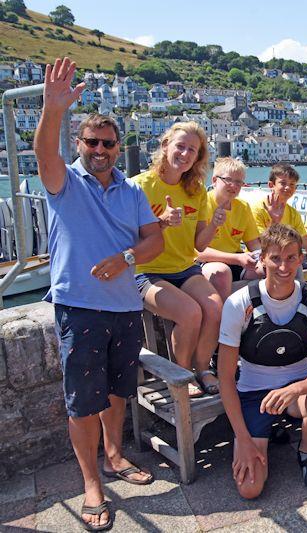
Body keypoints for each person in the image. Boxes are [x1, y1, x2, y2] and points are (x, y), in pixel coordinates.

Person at [34, 57, 163, 531]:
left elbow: (154, 241)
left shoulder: (131, 192)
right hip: (80, 307)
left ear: (118, 147)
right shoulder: (64, 183)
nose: (102, 149)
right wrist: (53, 109)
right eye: (93, 142)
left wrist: (124, 259)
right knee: (83, 401)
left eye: (109, 143)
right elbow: (44, 153)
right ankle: (92, 483)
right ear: (80, 145)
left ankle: (114, 455)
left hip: (125, 306)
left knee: (115, 391)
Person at [217, 224, 307, 498]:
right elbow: (225, 378)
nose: (284, 266)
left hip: (297, 390)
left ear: (300, 259)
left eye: (292, 258)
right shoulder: (239, 303)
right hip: (252, 393)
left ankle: (306, 453)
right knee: (250, 490)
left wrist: (293, 389)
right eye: (276, 258)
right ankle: (262, 435)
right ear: (262, 259)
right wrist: (243, 440)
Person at [134, 121, 224, 397]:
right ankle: (182, 377)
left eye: (192, 150)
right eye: (180, 147)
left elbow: (198, 244)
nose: (185, 154)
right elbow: (123, 242)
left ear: (198, 157)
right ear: (165, 146)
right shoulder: (139, 186)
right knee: (190, 313)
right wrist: (160, 224)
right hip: (146, 270)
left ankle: (203, 368)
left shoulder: (196, 191)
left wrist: (214, 225)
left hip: (184, 267)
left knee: (215, 308)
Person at [247, 163, 307, 293]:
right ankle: (300, 303)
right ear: (271, 185)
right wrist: (275, 221)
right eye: (283, 183)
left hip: (287, 256)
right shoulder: (258, 209)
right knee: (295, 267)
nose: (287, 188)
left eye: (292, 184)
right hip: (263, 258)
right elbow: (264, 246)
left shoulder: (292, 213)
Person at [196, 157, 260, 301]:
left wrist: (263, 256)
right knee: (221, 272)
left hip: (237, 259)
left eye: (239, 182)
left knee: (268, 268)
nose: (233, 185)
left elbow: (254, 243)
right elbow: (197, 251)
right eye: (228, 180)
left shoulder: (243, 207)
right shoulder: (202, 204)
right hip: (208, 262)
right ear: (214, 181)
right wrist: (237, 258)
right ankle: (225, 319)